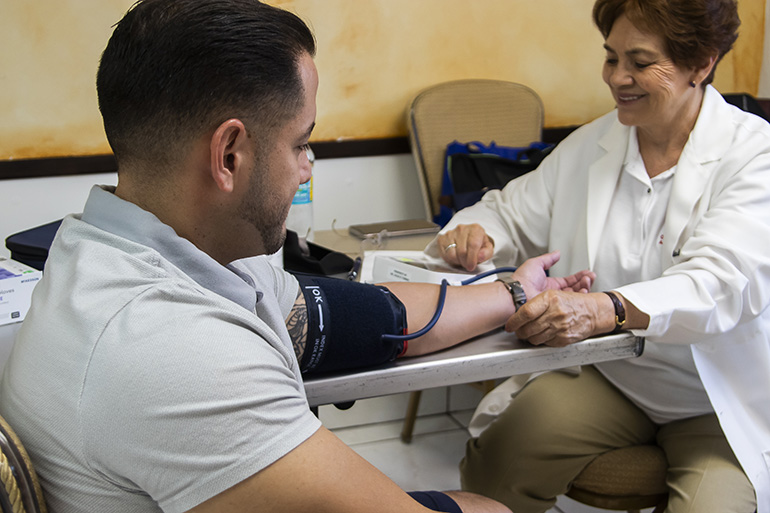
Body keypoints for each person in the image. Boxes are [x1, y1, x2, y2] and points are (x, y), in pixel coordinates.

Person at [0, 1, 597, 512]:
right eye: (301, 142)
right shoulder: (171, 350)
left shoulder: (117, 249)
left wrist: (512, 293)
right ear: (229, 155)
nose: (308, 167)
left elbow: (366, 317)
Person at [428, 0, 769, 512]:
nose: (617, 78)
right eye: (611, 58)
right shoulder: (594, 145)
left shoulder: (754, 156)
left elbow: (720, 281)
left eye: (639, 61)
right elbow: (509, 211)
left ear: (702, 64)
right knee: (496, 462)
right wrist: (477, 233)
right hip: (614, 376)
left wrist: (604, 308)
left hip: (714, 399)